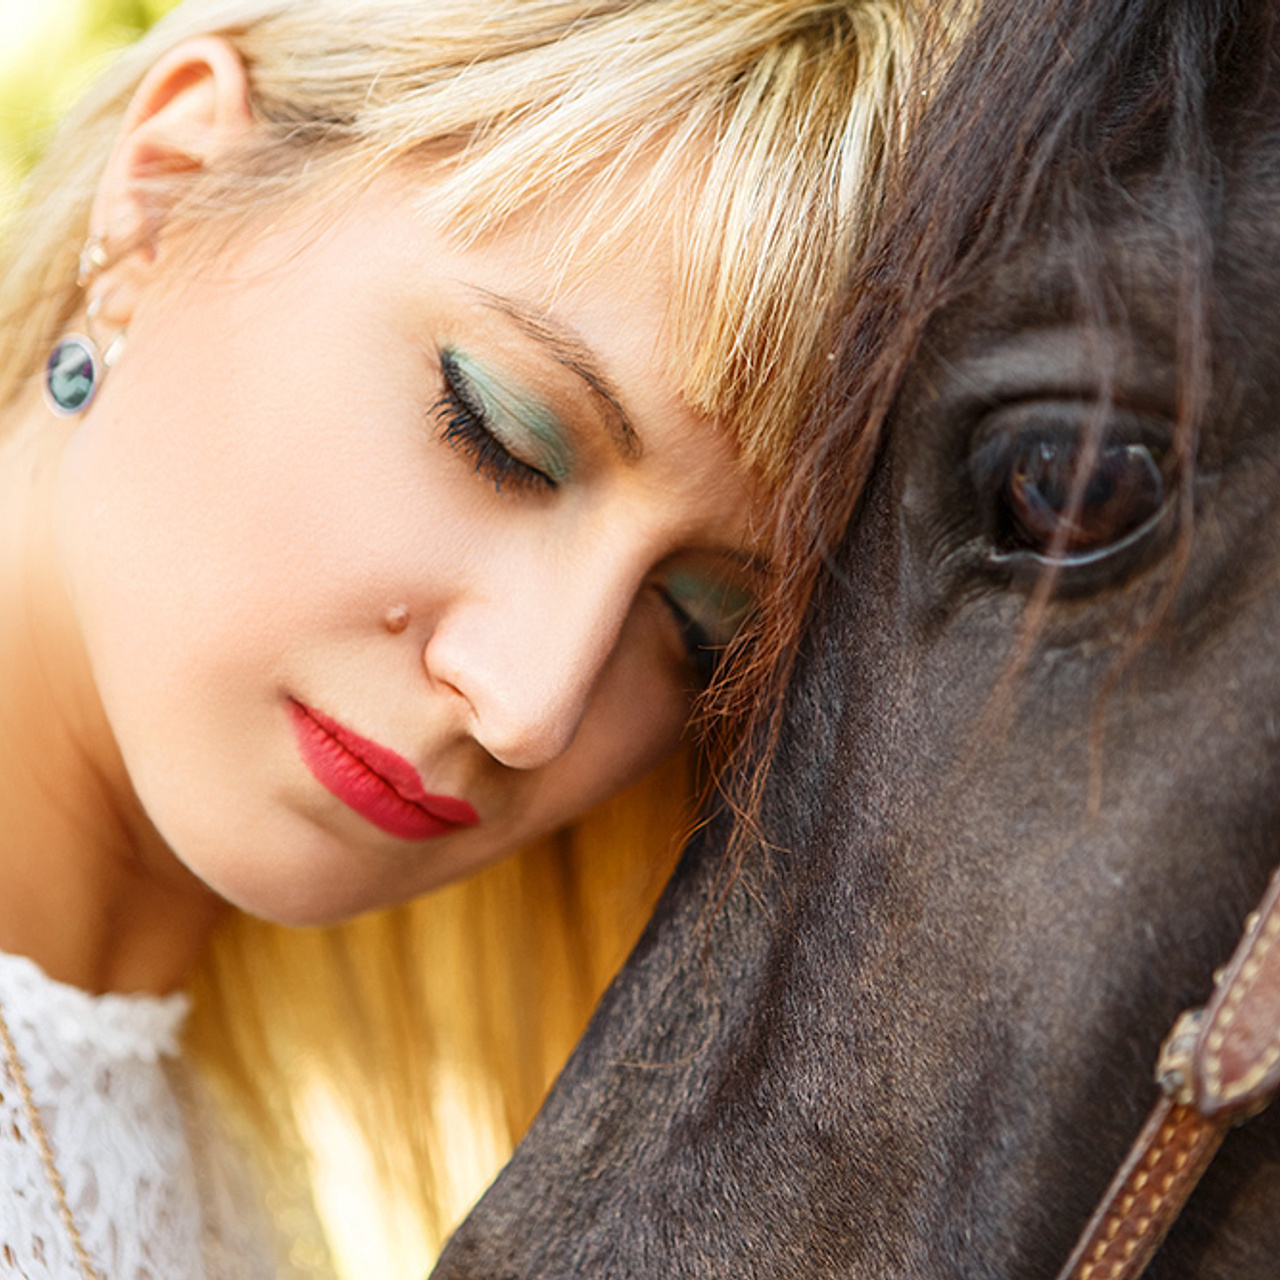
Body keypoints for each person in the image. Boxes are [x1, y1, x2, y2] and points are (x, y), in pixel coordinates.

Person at [0, 0, 917, 1274]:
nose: (529, 705)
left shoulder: (230, 1202)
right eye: (501, 437)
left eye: (700, 626)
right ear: (165, 191)